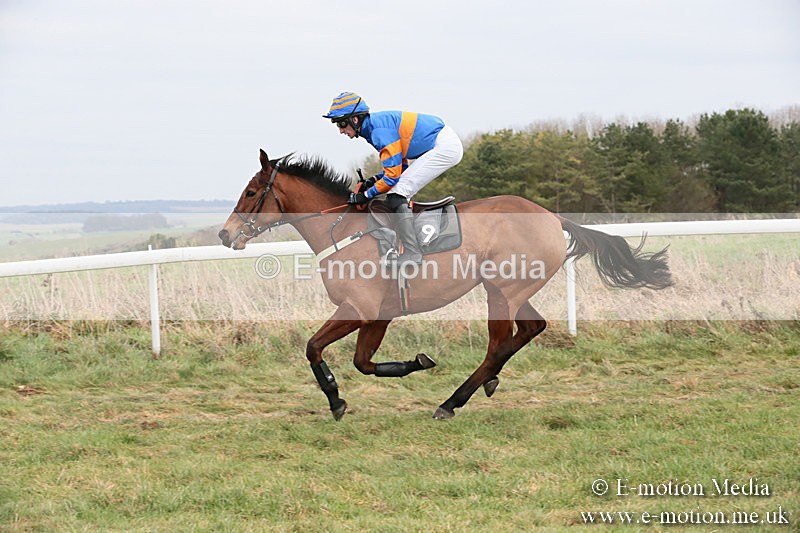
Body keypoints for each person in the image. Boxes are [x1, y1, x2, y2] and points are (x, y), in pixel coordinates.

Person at [323, 91, 463, 265]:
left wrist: (365, 195)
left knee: (397, 193)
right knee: (398, 191)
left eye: (341, 123)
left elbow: (392, 178)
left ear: (355, 119)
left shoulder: (379, 132)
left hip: (444, 147)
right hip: (441, 143)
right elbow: (400, 167)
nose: (340, 130)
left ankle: (412, 253)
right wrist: (374, 180)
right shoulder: (373, 129)